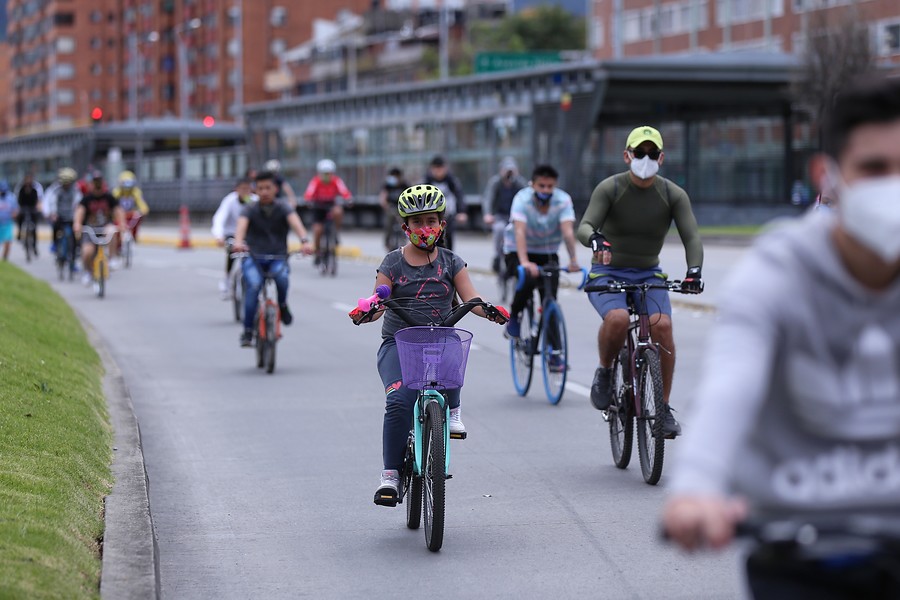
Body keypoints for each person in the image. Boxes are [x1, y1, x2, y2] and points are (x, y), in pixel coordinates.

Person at [662, 75, 900, 597]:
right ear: (829, 177)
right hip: (801, 557)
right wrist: (697, 488)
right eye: (875, 169)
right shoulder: (778, 271)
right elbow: (731, 387)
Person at [348, 184, 507, 505]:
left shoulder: (451, 262)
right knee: (399, 401)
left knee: (453, 348)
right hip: (399, 344)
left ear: (442, 224)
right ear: (405, 227)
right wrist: (368, 309)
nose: (425, 228)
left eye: (431, 220)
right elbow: (378, 300)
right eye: (417, 222)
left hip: (439, 340)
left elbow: (470, 298)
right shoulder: (392, 263)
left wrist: (490, 309)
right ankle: (390, 474)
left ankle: (453, 412)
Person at [577, 125, 704, 439]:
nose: (644, 159)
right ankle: (606, 372)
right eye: (639, 152)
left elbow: (691, 236)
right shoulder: (611, 187)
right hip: (608, 273)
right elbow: (586, 225)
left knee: (663, 327)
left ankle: (663, 407)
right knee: (618, 319)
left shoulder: (673, 194)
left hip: (648, 274)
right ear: (626, 155)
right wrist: (596, 241)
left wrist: (694, 271)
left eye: (651, 153)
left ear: (661, 158)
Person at [503, 164, 581, 366]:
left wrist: (573, 261)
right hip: (517, 250)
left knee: (550, 300)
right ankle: (515, 316)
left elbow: (568, 232)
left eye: (550, 186)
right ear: (533, 184)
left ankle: (554, 352)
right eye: (541, 186)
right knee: (527, 279)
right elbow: (519, 231)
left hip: (547, 253)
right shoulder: (522, 198)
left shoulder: (562, 200)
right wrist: (524, 262)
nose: (546, 190)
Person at [232, 171, 313, 347]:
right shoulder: (249, 209)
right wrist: (238, 242)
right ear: (255, 190)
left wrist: (305, 242)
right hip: (253, 258)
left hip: (278, 257)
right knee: (253, 286)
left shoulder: (283, 207)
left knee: (282, 279)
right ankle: (247, 332)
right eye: (260, 188)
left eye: (268, 188)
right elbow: (241, 227)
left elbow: (296, 223)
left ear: (275, 189)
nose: (264, 192)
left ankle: (282, 305)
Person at [73, 171, 124, 285]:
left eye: (99, 182)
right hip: (90, 229)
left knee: (111, 230)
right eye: (95, 182)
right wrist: (77, 224)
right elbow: (80, 211)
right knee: (87, 252)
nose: (97, 185)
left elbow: (118, 210)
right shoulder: (86, 199)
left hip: (105, 227)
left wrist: (122, 225)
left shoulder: (109, 197)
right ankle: (87, 272)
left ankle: (112, 258)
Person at [211, 178, 258, 298]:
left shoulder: (254, 201)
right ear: (236, 189)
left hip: (249, 235)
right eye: (242, 189)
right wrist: (219, 236)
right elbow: (219, 218)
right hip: (231, 233)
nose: (245, 192)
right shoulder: (230, 200)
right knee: (231, 256)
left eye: (248, 189)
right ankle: (226, 281)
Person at [482, 156, 527, 274]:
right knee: (499, 229)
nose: (509, 174)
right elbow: (488, 198)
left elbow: (527, 197)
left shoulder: (519, 183)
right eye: (507, 171)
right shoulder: (496, 183)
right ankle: (497, 256)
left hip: (516, 218)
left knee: (521, 233)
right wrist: (488, 214)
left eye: (512, 171)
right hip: (500, 216)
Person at [303, 158, 352, 260]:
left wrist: (348, 199)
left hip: (331, 206)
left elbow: (344, 192)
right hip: (318, 207)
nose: (326, 176)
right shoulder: (315, 181)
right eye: (324, 173)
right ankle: (317, 252)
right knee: (317, 230)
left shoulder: (336, 181)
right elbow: (308, 193)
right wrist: (308, 200)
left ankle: (335, 232)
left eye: (328, 173)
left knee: (338, 211)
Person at [423, 155, 467, 251]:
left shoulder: (451, 181)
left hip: (448, 213)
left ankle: (449, 257)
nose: (438, 171)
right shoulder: (427, 181)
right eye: (436, 169)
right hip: (432, 214)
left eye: (441, 168)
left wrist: (461, 211)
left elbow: (459, 195)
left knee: (449, 235)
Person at [44, 167, 83, 263]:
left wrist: (77, 215)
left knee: (75, 236)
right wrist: (53, 214)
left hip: (71, 216)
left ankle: (74, 255)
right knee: (55, 228)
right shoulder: (56, 190)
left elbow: (78, 202)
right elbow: (53, 202)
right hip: (60, 216)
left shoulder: (75, 190)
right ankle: (56, 245)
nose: (66, 184)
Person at [112, 170, 149, 243]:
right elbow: (112, 203)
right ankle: (118, 241)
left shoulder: (136, 192)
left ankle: (133, 236)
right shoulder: (117, 192)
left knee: (137, 219)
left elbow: (141, 203)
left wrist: (143, 210)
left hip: (130, 215)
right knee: (117, 227)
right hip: (119, 216)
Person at [378, 167, 408, 252]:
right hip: (391, 207)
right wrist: (385, 205)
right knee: (389, 221)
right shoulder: (387, 185)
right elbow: (383, 197)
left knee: (404, 221)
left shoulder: (405, 185)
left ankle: (405, 238)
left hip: (402, 208)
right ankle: (387, 241)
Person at [15, 173, 42, 254]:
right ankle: (19, 232)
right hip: (23, 208)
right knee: (20, 218)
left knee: (34, 227)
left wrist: (37, 208)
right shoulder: (21, 189)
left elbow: (37, 200)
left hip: (32, 208)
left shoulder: (34, 189)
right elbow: (19, 200)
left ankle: (34, 246)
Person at [0, 180, 18, 261]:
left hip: (7, 223)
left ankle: (5, 259)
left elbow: (15, 210)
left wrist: (14, 214)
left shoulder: (11, 197)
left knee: (7, 242)